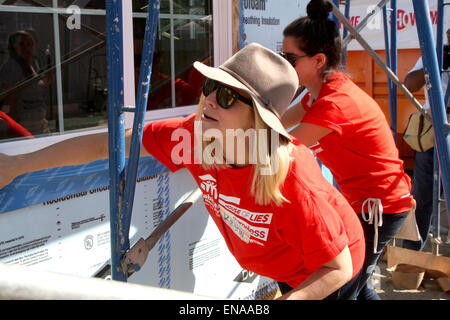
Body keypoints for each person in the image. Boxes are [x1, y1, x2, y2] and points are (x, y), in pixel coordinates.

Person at [0, 42, 366, 300]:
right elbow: (107, 145)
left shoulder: (290, 177)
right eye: (211, 86)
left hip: (328, 269)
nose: (207, 99)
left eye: (226, 97)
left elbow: (336, 268)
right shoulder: (192, 138)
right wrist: (18, 164)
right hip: (291, 268)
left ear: (258, 121)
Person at [280, 0, 414, 300]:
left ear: (317, 61)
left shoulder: (333, 103)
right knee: (360, 285)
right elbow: (277, 121)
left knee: (341, 289)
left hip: (381, 208)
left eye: (289, 58)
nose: (283, 64)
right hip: (362, 202)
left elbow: (281, 150)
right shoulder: (320, 92)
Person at [402, 28, 450, 251]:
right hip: (433, 129)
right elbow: (410, 84)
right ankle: (413, 252)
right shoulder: (435, 52)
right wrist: (436, 61)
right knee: (422, 192)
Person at [0, 30, 53, 137]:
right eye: (22, 44)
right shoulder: (11, 67)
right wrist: (12, 129)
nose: (26, 48)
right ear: (14, 47)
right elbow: (8, 99)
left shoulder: (31, 65)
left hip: (38, 123)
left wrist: (48, 75)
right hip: (25, 126)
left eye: (30, 44)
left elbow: (38, 88)